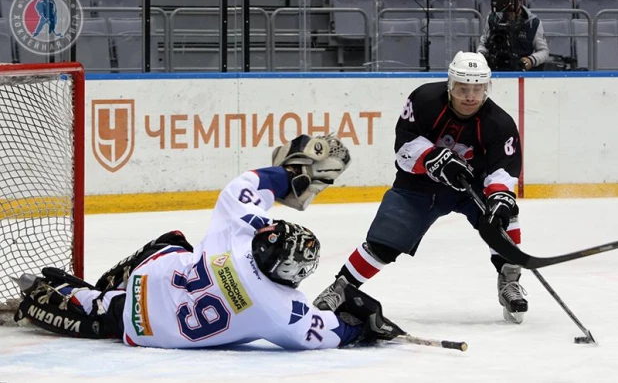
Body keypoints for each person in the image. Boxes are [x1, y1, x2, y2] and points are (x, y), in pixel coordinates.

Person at [12, 134, 405, 349]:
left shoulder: (235, 234)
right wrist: (365, 325)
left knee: (170, 244)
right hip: (150, 330)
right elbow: (329, 333)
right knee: (103, 313)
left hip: (152, 278)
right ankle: (47, 300)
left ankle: (47, 296)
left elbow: (254, 182)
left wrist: (295, 172)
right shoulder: (281, 307)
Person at [314, 51, 528, 324]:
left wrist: (499, 195)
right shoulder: (424, 100)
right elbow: (404, 146)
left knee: (504, 216)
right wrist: (432, 159)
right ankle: (341, 288)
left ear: (487, 87)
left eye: (477, 89)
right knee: (384, 242)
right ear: (451, 84)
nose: (470, 96)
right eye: (463, 88)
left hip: (471, 185)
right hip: (420, 184)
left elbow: (503, 168)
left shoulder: (499, 123)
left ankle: (509, 281)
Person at [477, 0, 549, 71]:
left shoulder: (533, 23)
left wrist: (530, 60)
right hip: (495, 70)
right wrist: (481, 57)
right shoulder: (492, 19)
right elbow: (483, 44)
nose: (507, 3)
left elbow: (543, 51)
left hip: (521, 71)